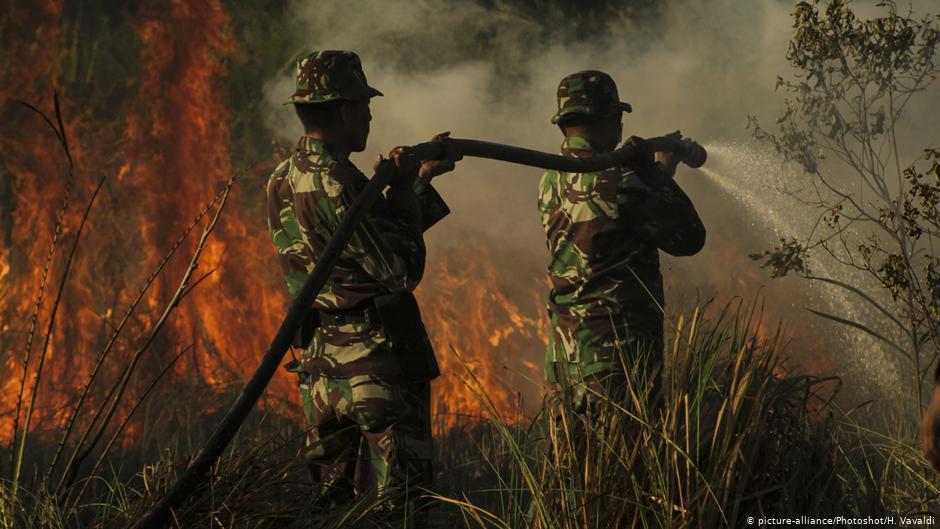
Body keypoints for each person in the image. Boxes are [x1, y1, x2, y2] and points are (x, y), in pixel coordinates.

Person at [265, 50, 455, 523]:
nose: (370, 115)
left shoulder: (281, 179)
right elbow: (399, 267)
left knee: (334, 512)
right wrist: (404, 191)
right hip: (372, 366)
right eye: (366, 105)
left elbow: (352, 248)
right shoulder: (339, 179)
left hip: (320, 372)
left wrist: (417, 181)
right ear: (346, 108)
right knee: (401, 510)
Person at [538, 69, 706, 429]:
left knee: (577, 471)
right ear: (611, 118)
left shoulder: (551, 179)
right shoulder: (622, 178)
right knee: (627, 468)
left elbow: (616, 215)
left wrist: (657, 169)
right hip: (617, 359)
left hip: (566, 356)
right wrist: (652, 171)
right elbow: (689, 236)